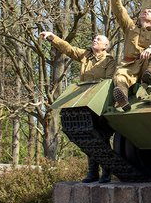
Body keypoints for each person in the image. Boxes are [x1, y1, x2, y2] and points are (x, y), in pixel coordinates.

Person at [39, 31, 115, 183]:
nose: (94, 39)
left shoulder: (109, 61)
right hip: (83, 101)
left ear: (105, 46)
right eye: (94, 38)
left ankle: (106, 171)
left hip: (99, 102)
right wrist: (52, 37)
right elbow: (68, 49)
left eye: (98, 39)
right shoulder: (85, 55)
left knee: (101, 137)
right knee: (88, 138)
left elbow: (109, 82)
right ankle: (92, 172)